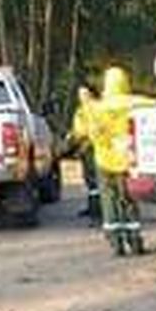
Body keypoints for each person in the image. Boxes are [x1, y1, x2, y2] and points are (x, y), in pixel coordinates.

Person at [89, 66, 153, 256]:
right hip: (127, 161)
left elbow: (83, 130)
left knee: (109, 201)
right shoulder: (135, 103)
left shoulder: (96, 108)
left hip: (104, 161)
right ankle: (135, 241)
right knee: (129, 200)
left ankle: (115, 242)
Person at [67, 86, 101, 227]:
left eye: (85, 93)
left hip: (94, 148)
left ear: (92, 94)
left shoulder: (98, 108)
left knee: (95, 182)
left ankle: (97, 212)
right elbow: (78, 129)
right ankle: (93, 208)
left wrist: (78, 136)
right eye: (80, 94)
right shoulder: (81, 110)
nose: (82, 97)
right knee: (90, 181)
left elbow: (86, 130)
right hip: (85, 148)